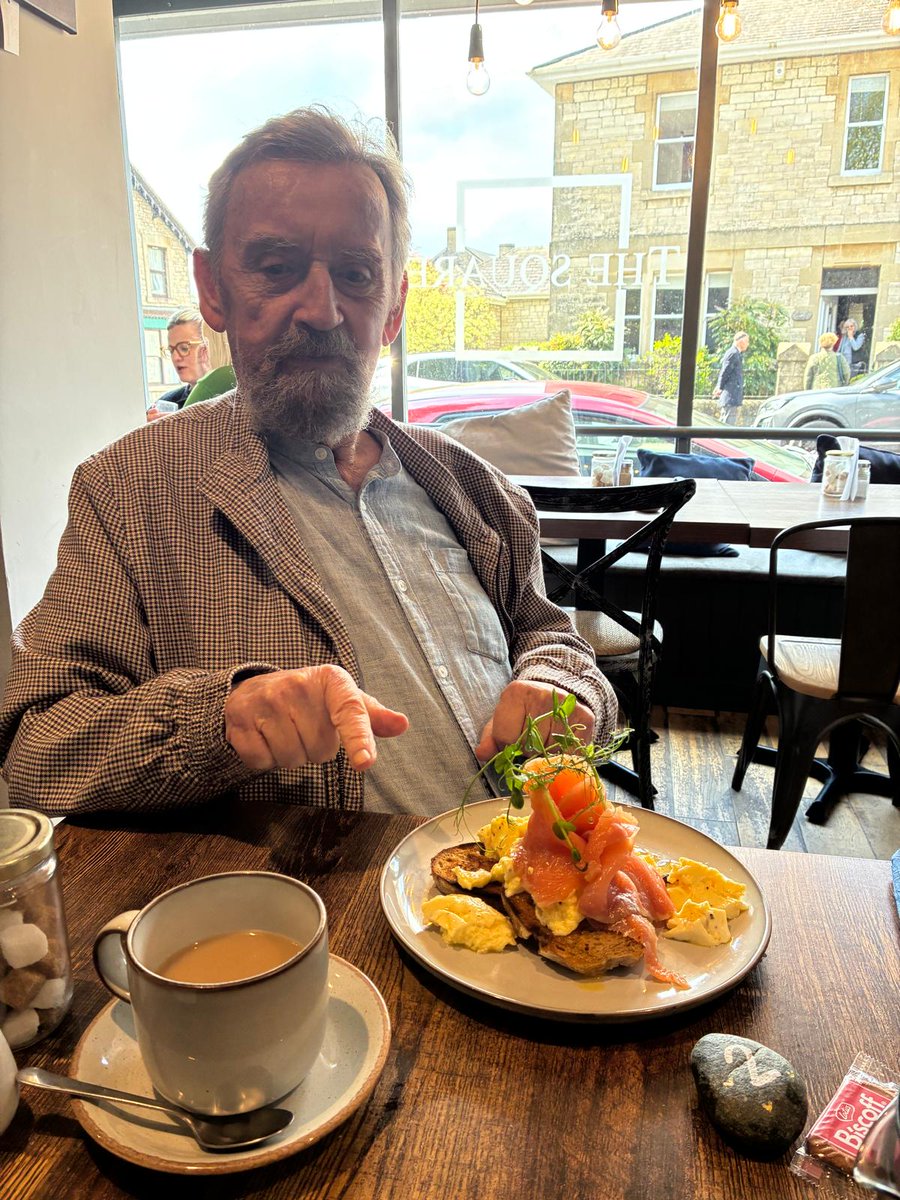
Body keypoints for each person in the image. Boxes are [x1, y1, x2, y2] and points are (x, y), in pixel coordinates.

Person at [0, 107, 616, 818]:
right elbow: (36, 747)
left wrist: (561, 684)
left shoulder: (477, 489)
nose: (321, 309)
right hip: (311, 917)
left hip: (516, 901)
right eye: (276, 267)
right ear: (212, 289)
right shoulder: (127, 494)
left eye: (357, 274)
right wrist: (222, 721)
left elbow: (550, 635)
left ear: (393, 309)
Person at [713, 331, 749, 425]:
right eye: (746, 341)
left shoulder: (736, 353)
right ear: (740, 341)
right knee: (727, 423)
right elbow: (725, 371)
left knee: (728, 420)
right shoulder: (733, 353)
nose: (747, 344)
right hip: (730, 395)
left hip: (733, 395)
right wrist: (719, 387)